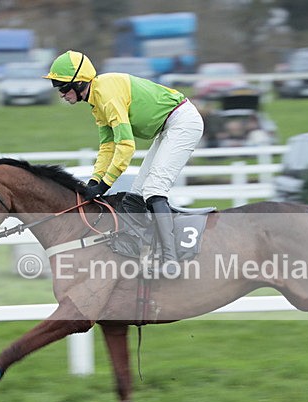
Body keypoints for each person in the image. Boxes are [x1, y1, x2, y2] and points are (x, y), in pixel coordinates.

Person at [44, 50, 204, 277]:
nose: (60, 94)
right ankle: (146, 251)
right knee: (134, 199)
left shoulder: (107, 95)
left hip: (183, 122)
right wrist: (94, 180)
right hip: (168, 127)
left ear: (79, 83)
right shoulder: (96, 101)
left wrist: (105, 185)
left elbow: (126, 146)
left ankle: (171, 260)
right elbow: (107, 147)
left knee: (154, 191)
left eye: (62, 87)